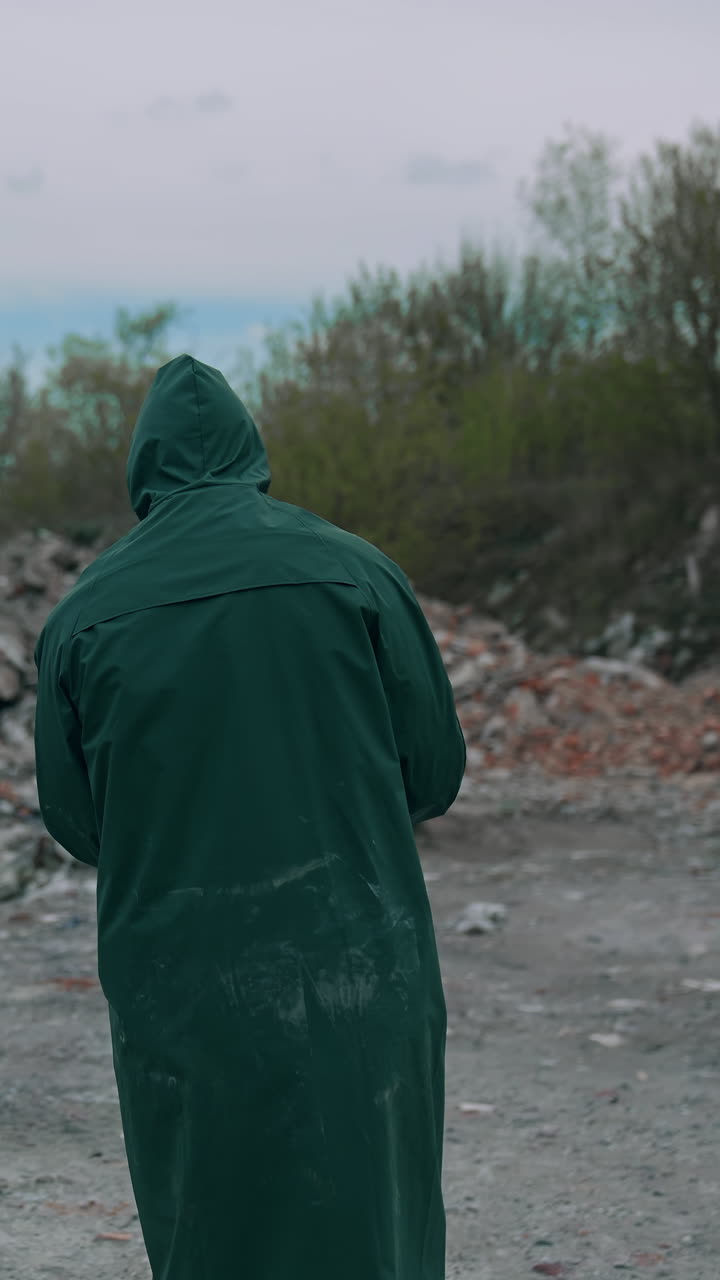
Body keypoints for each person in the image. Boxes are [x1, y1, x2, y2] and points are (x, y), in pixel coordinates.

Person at [33, 354, 466, 1280]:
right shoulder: (360, 575)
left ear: (142, 467)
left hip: (180, 992)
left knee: (210, 1229)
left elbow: (75, 823)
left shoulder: (83, 618)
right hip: (360, 970)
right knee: (374, 1226)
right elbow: (432, 775)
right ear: (250, 450)